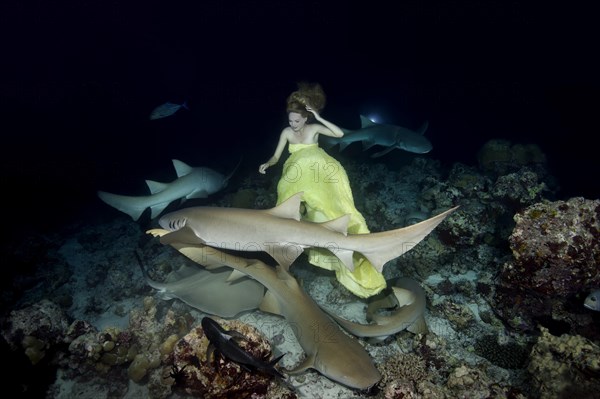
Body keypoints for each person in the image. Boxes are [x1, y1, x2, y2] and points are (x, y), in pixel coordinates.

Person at [258, 82, 386, 298]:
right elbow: (276, 156)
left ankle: (356, 258)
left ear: (305, 118)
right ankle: (290, 249)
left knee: (336, 212)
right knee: (290, 216)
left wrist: (318, 117)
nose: (293, 124)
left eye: (297, 121)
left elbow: (338, 134)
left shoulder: (314, 127)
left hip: (321, 174)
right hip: (296, 175)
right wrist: (267, 164)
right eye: (290, 120)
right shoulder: (287, 132)